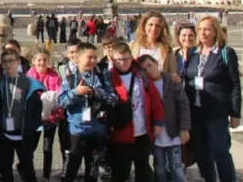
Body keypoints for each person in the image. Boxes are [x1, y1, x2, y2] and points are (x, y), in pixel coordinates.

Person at [184, 16, 240, 182]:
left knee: (219, 150)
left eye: (207, 29)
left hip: (216, 111)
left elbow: (235, 84)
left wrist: (235, 112)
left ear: (216, 31)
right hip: (196, 110)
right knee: (202, 152)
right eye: (200, 29)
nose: (203, 32)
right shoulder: (193, 52)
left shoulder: (225, 52)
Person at [57, 42, 118, 182]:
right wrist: (75, 92)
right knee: (69, 171)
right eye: (89, 57)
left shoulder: (102, 77)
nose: (93, 61)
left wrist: (97, 93)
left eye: (95, 57)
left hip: (98, 131)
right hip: (77, 131)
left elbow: (113, 100)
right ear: (78, 58)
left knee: (92, 173)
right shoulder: (70, 79)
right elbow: (61, 103)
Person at [107, 42, 164, 182]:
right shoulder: (108, 78)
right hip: (121, 133)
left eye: (126, 59)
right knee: (120, 172)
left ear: (131, 57)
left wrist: (158, 122)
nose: (123, 63)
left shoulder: (140, 75)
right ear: (112, 60)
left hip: (142, 132)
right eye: (118, 60)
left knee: (143, 171)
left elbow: (155, 99)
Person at [138, 54, 191, 182]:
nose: (149, 71)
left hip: (173, 132)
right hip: (157, 135)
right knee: (160, 167)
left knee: (176, 165)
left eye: (150, 66)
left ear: (157, 63)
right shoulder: (144, 86)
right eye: (144, 69)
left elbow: (184, 107)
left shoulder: (171, 82)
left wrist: (184, 128)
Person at [0, 48, 44, 182]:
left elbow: (37, 107)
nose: (8, 65)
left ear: (18, 62)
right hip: (5, 132)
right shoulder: (0, 81)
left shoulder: (28, 83)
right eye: (5, 62)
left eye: (11, 61)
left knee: (27, 167)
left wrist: (33, 127)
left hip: (23, 133)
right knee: (5, 167)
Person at [27, 47, 63, 179]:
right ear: (34, 61)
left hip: (51, 117)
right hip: (34, 117)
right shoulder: (29, 76)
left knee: (48, 147)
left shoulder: (54, 74)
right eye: (39, 60)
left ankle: (46, 174)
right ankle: (27, 169)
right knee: (31, 146)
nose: (42, 63)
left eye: (44, 60)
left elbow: (58, 93)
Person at [130, 11, 178, 79]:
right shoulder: (133, 46)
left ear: (162, 29)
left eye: (157, 26)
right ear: (144, 26)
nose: (154, 29)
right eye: (150, 24)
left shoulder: (167, 50)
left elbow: (173, 75)